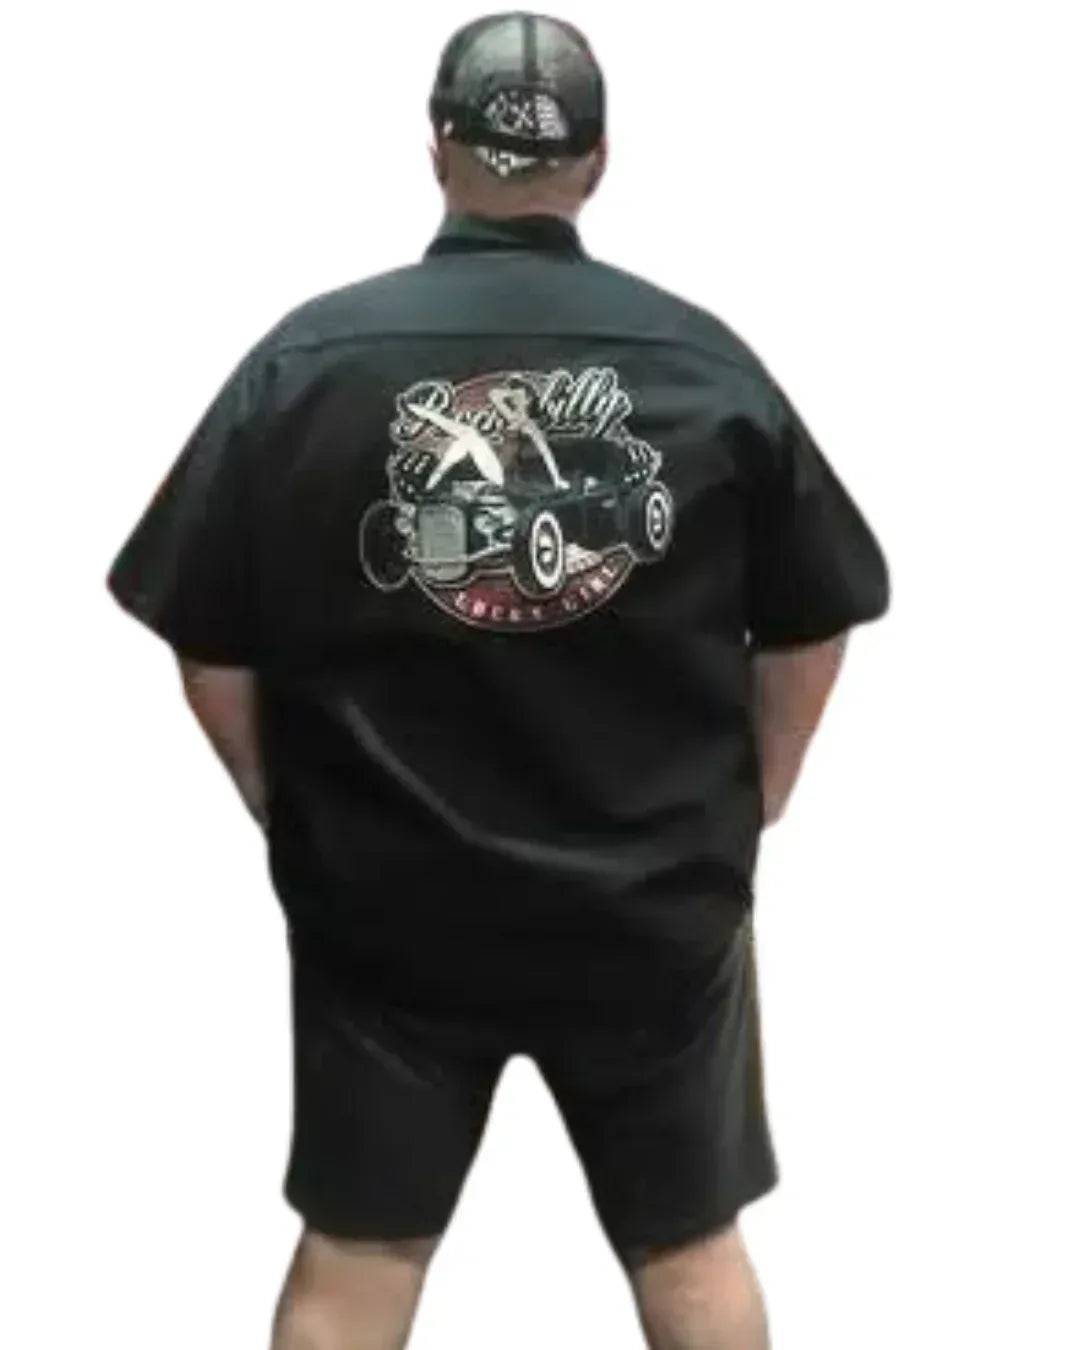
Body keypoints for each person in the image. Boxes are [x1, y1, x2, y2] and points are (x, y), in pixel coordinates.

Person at [107, 12, 889, 1350]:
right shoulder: (707, 367)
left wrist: (285, 804)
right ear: (600, 159)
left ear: (434, 149)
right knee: (689, 1248)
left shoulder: (304, 364)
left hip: (389, 907)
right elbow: (819, 617)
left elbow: (203, 634)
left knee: (359, 1254)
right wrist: (755, 797)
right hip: (650, 910)